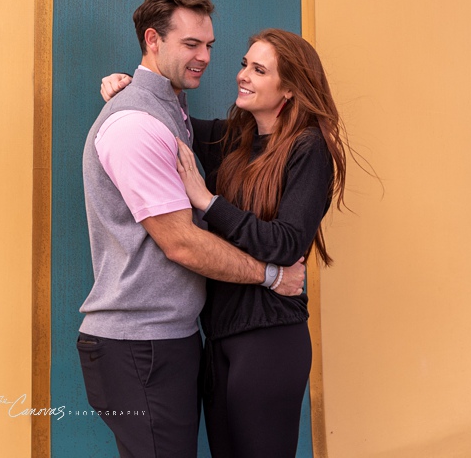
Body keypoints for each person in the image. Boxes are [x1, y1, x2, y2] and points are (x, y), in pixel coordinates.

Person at [100, 28, 347, 458]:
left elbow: (286, 243)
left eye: (258, 69)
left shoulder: (310, 149)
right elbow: (163, 126)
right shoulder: (234, 137)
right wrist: (127, 86)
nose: (242, 76)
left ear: (289, 88)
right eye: (244, 64)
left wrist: (208, 202)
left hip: (270, 338)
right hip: (215, 340)